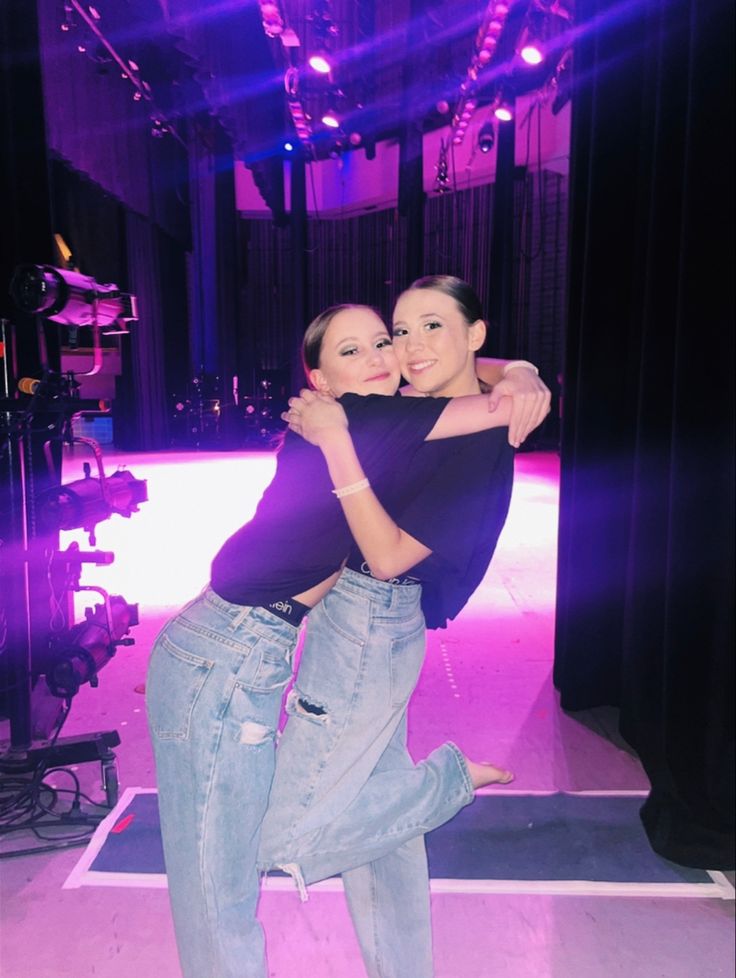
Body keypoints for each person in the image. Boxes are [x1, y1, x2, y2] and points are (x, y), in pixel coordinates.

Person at [146, 300, 546, 978]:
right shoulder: (363, 419)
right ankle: (443, 785)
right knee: (221, 886)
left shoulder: (379, 423)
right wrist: (519, 375)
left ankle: (428, 813)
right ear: (321, 382)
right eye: (351, 351)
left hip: (245, 649)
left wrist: (520, 366)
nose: (380, 356)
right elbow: (496, 405)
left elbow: (484, 386)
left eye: (380, 342)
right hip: (220, 652)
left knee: (227, 876)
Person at [258, 277, 551, 978]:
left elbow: (389, 560)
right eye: (401, 330)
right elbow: (482, 368)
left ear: (473, 335)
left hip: (370, 617)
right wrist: (521, 369)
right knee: (379, 832)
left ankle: (448, 782)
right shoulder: (429, 402)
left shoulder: (479, 436)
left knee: (278, 835)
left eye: (433, 328)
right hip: (356, 619)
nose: (410, 348)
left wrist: (336, 450)